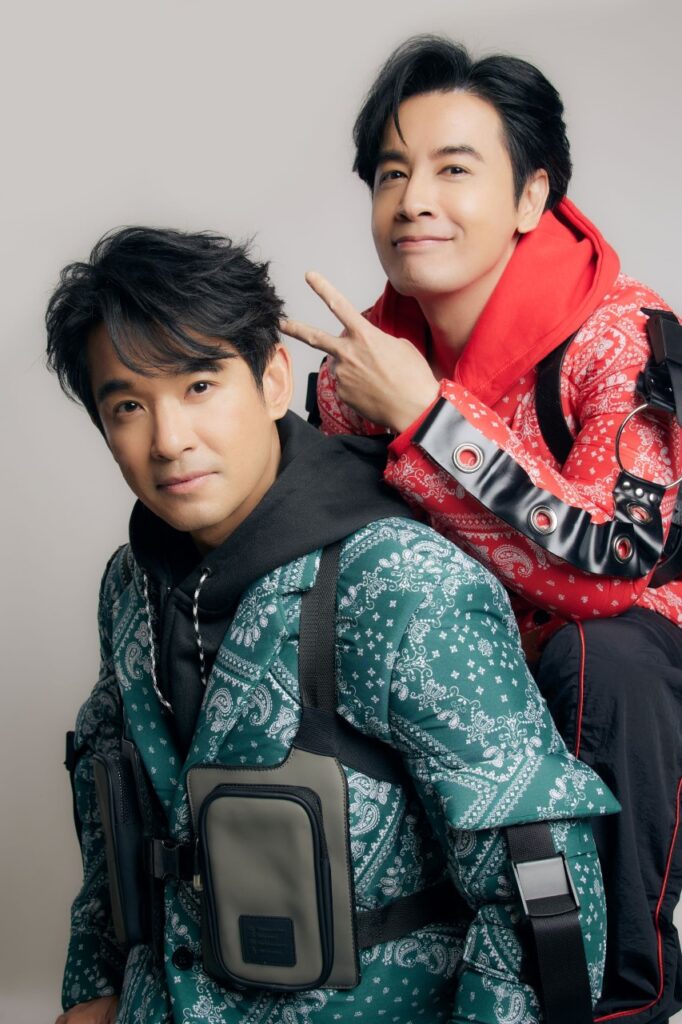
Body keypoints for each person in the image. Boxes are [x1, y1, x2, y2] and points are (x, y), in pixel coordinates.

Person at [46, 226, 615, 1024]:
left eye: (200, 386)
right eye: (130, 406)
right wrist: (94, 987)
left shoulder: (402, 584)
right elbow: (112, 810)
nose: (170, 441)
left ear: (273, 378)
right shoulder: (128, 584)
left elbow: (542, 893)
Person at [280, 36, 682, 1024]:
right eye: (391, 173)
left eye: (453, 169)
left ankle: (617, 1003)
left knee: (601, 659)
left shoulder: (618, 333)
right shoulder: (359, 368)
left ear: (531, 197)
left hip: (635, 660)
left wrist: (429, 420)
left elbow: (611, 573)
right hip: (467, 661)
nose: (413, 199)